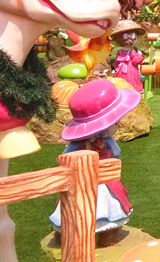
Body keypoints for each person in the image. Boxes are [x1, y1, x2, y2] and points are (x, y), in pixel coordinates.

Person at [50, 79, 139, 247]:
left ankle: (108, 236)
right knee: (78, 208)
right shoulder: (84, 144)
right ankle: (70, 236)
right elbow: (67, 158)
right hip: (85, 182)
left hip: (103, 180)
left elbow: (115, 155)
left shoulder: (107, 141)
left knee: (107, 205)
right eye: (115, 122)